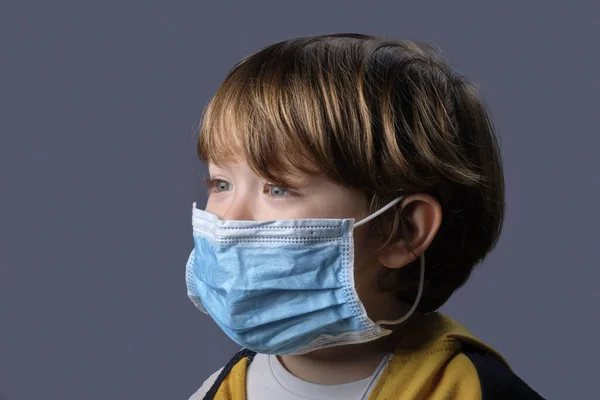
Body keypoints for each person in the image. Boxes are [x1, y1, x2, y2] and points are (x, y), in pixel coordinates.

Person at [185, 33, 545, 399]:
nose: (229, 221)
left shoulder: (467, 390)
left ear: (402, 231)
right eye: (221, 184)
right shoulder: (219, 391)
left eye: (278, 188)